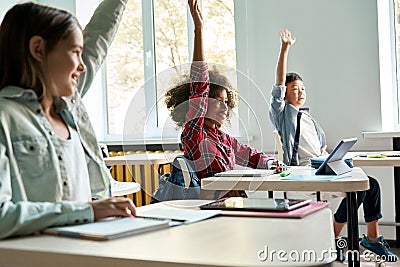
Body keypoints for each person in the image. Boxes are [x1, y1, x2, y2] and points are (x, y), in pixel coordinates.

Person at [0, 1, 136, 240]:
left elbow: (99, 41)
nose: (82, 66)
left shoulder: (69, 110)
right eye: (75, 52)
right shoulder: (5, 116)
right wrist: (86, 211)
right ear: (38, 49)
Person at [269, 29, 398, 261]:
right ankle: (334, 237)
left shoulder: (308, 118)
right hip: (305, 171)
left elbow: (320, 150)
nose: (300, 92)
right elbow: (277, 85)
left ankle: (371, 238)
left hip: (322, 166)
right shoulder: (282, 114)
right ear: (285, 95)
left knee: (371, 184)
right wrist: (285, 48)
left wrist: (336, 159)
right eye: (294, 89)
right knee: (358, 187)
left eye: (303, 88)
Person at [164, 0, 282, 193]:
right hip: (214, 205)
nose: (224, 107)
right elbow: (199, 84)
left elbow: (251, 156)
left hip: (233, 200)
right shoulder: (195, 133)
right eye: (218, 101)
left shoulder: (224, 138)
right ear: (203, 103)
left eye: (226, 102)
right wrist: (198, 29)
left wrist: (271, 163)